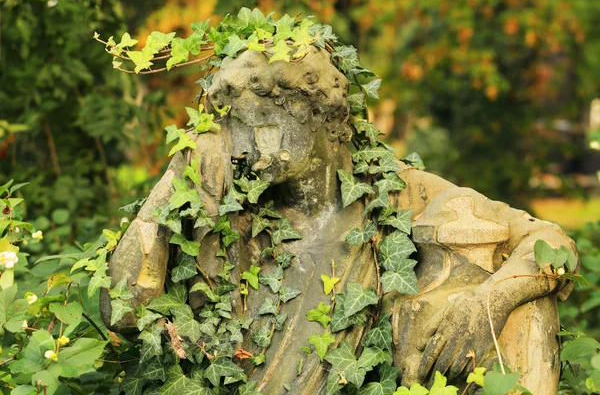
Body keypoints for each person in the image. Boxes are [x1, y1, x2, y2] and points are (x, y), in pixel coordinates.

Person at [101, 45, 577, 394]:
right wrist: (174, 182)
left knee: (529, 311)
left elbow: (550, 242)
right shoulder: (230, 217)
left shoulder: (402, 192)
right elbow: (121, 310)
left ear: (323, 116)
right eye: (235, 129)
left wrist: (492, 299)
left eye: (264, 126)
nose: (247, 147)